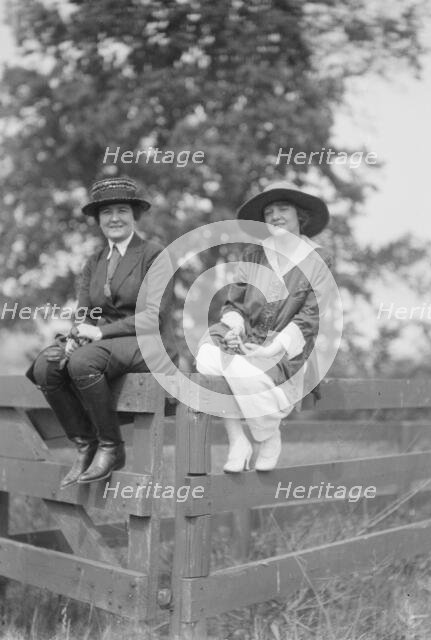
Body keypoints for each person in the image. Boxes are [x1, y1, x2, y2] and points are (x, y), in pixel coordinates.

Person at [26, 176, 178, 486]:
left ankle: (112, 447)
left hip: (147, 344)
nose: (115, 218)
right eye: (106, 212)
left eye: (122, 210)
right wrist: (77, 336)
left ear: (133, 215)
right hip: (105, 347)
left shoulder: (154, 254)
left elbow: (153, 317)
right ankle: (85, 444)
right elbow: (85, 312)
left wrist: (98, 334)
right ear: (98, 220)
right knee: (47, 365)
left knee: (84, 362)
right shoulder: (93, 261)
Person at [196, 181, 332, 472]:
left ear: (300, 216)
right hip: (248, 338)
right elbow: (234, 305)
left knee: (242, 370)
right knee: (207, 357)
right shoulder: (253, 255)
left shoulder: (319, 258)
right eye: (269, 211)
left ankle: (268, 436)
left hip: (289, 347)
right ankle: (237, 439)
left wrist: (271, 347)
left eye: (283, 209)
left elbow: (310, 317)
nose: (276, 216)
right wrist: (235, 330)